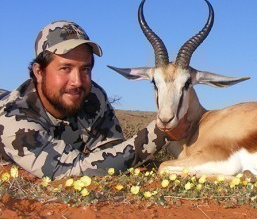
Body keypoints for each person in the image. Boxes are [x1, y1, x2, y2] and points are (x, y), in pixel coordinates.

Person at [0, 21, 187, 180]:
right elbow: (69, 170)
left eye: (85, 69)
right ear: (39, 72)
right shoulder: (14, 119)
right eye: (65, 68)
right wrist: (161, 133)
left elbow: (112, 150)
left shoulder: (92, 96)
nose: (77, 81)